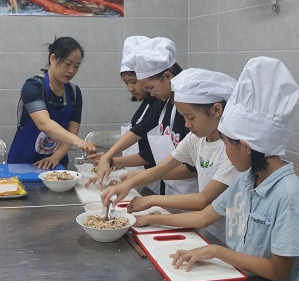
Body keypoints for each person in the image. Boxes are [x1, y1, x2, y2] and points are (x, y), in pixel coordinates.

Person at [123, 57, 299, 281]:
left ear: (245, 147)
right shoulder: (247, 179)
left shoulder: (288, 195)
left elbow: (278, 271)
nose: (224, 150)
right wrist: (148, 220)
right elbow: (204, 216)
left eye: (226, 143)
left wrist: (216, 251)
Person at [101, 68, 239, 241]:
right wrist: (128, 184)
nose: (187, 124)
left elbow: (203, 200)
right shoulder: (195, 139)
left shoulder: (233, 151)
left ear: (217, 110)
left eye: (191, 118)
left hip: (226, 236)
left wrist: (151, 200)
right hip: (205, 231)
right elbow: (161, 169)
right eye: (184, 118)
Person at [87, 37, 198, 195]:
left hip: (191, 193)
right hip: (168, 190)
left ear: (168, 77)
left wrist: (143, 175)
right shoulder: (164, 102)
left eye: (151, 87)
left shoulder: (188, 110)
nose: (151, 94)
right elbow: (139, 130)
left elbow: (192, 168)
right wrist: (108, 157)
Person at [7, 36, 96, 169]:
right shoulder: (33, 87)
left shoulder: (74, 93)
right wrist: (77, 141)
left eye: (76, 66)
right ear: (52, 58)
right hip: (22, 162)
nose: (71, 70)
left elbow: (72, 130)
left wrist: (56, 157)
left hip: (55, 163)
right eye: (68, 64)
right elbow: (44, 124)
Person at [85, 36, 156, 172]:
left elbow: (150, 154)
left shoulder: (159, 106)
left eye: (134, 81)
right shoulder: (145, 105)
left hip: (150, 178)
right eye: (126, 82)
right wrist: (113, 160)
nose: (130, 88)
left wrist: (112, 159)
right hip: (136, 175)